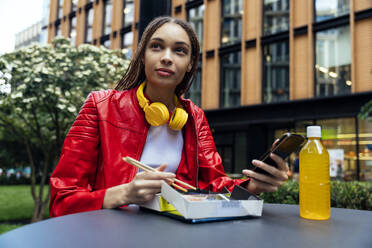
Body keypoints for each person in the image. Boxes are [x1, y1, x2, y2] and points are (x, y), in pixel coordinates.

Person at [49, 17, 289, 217]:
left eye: (179, 50)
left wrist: (254, 186)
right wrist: (123, 193)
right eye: (156, 46)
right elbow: (61, 200)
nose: (166, 57)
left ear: (189, 65)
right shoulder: (100, 106)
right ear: (142, 56)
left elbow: (214, 187)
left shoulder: (194, 117)